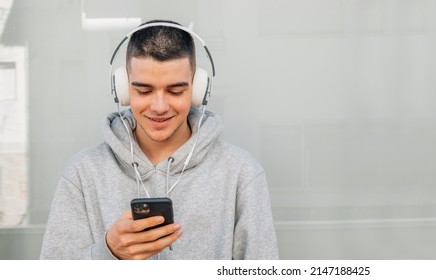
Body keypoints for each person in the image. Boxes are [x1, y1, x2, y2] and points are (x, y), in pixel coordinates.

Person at [40, 20, 279, 260]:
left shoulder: (240, 172)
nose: (159, 107)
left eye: (176, 91)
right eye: (143, 91)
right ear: (122, 90)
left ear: (198, 90)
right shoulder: (83, 173)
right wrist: (108, 252)